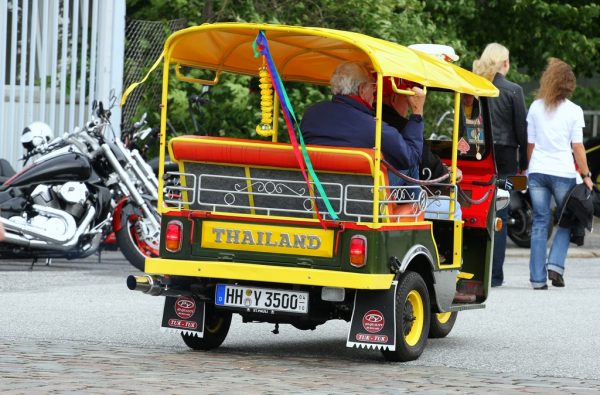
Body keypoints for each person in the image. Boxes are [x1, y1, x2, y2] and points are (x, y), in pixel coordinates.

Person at [300, 61, 426, 186]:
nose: (375, 94)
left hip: (315, 192)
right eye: (374, 87)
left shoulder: (311, 113)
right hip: (361, 197)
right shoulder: (374, 128)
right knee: (409, 166)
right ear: (361, 89)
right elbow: (412, 156)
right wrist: (417, 112)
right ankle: (416, 206)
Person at [526, 58, 593, 290]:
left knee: (539, 222)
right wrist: (586, 174)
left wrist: (530, 167)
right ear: (569, 84)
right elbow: (577, 147)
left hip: (537, 171)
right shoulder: (574, 111)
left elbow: (530, 145)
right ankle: (555, 266)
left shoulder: (535, 107)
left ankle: (536, 279)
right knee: (566, 220)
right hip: (563, 172)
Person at [473, 43, 528, 287]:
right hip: (506, 161)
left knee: (478, 212)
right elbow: (521, 131)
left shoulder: (475, 86)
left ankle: (474, 269)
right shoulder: (514, 90)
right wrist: (524, 165)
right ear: (504, 63)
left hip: (477, 157)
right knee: (501, 216)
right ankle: (495, 275)